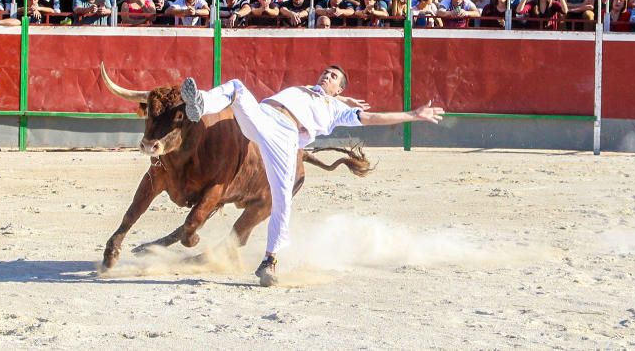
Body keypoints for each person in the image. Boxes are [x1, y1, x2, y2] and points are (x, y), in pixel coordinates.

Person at [180, 68, 444, 285]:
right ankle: (200, 103)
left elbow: (373, 117)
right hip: (262, 116)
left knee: (281, 197)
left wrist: (412, 115)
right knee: (236, 86)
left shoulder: (336, 110)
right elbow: (321, 93)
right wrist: (342, 98)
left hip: (286, 135)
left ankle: (270, 260)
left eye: (333, 77)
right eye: (326, 73)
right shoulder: (307, 90)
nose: (326, 76)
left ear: (339, 89)